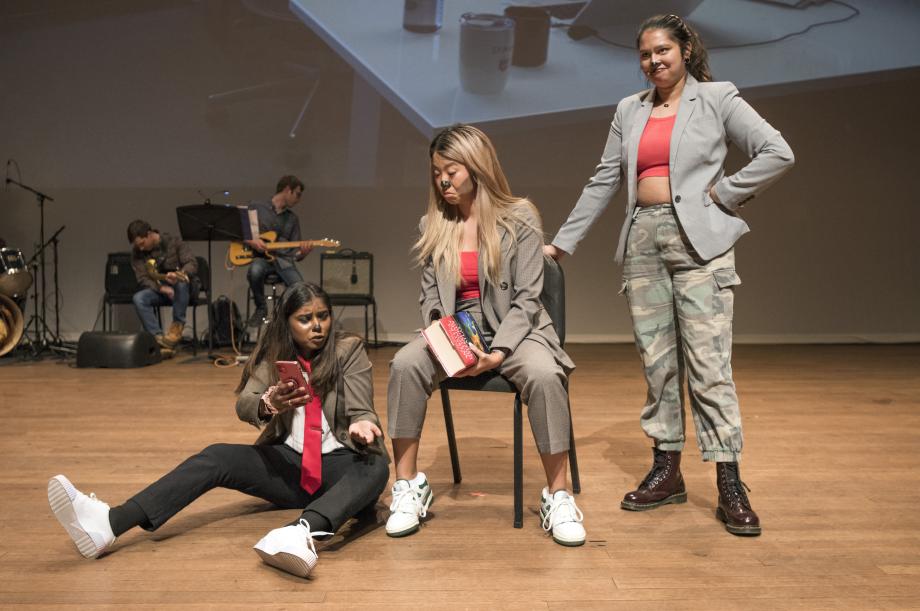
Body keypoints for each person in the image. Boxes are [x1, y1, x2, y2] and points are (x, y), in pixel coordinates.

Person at [544, 14, 795, 536]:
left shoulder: (718, 96)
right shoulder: (628, 110)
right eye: (644, 54)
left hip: (700, 245)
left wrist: (725, 194)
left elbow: (778, 151)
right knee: (658, 366)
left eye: (663, 50)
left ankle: (729, 479)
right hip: (643, 244)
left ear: (685, 49)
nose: (654, 61)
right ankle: (667, 470)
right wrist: (563, 242)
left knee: (709, 364)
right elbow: (605, 179)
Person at [47, 282, 390, 578]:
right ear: (287, 323)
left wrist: (364, 424)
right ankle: (108, 523)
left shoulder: (348, 349)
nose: (317, 326)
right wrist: (270, 403)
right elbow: (245, 403)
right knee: (216, 456)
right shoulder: (275, 352)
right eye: (305, 319)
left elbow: (362, 408)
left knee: (375, 465)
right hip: (291, 466)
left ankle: (300, 534)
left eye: (323, 316)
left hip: (340, 465)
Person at [386, 124, 586, 547]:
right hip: (459, 329)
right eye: (437, 172)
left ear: (476, 167)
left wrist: (496, 354)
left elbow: (529, 299)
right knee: (405, 364)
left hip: (518, 327)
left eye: (452, 171)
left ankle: (559, 494)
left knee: (546, 376)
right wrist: (450, 345)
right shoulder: (434, 222)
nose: (443, 180)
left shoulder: (520, 217)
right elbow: (430, 299)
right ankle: (406, 486)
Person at [245, 175, 312, 326]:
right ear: (287, 190)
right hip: (261, 258)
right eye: (297, 194)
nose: (298, 199)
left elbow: (295, 253)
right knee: (254, 271)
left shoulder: (292, 219)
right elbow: (240, 231)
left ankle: (287, 322)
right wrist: (253, 242)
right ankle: (261, 307)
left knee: (300, 289)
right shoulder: (256, 207)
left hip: (283, 261)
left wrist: (303, 252)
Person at [127, 219, 198, 353]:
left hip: (182, 290)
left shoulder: (175, 242)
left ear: (149, 234)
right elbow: (142, 278)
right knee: (139, 298)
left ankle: (176, 328)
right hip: (160, 290)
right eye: (138, 246)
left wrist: (179, 274)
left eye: (142, 243)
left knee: (181, 282)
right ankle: (159, 340)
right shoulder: (137, 253)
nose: (141, 248)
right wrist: (161, 288)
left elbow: (192, 263)